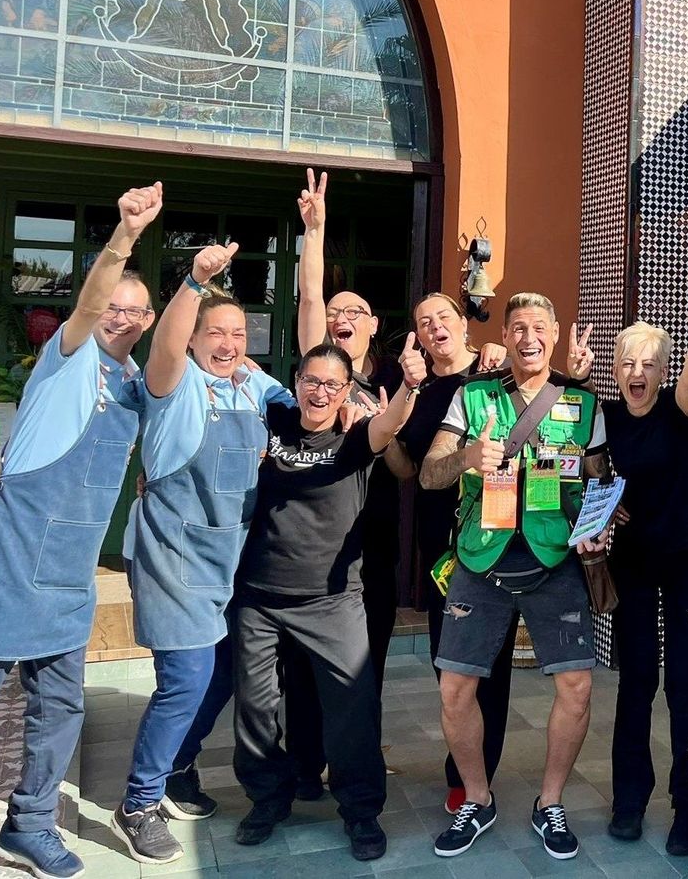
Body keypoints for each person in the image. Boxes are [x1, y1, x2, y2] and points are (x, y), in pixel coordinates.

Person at [0, 185, 163, 879]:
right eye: (113, 306)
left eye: (136, 310)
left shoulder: (133, 380)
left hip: (69, 575)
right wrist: (126, 234)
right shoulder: (66, 361)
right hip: (9, 564)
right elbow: (87, 302)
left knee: (58, 712)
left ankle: (30, 824)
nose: (121, 318)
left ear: (150, 319)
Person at [112, 243, 296, 865]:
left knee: (220, 676)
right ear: (191, 337)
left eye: (238, 333)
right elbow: (162, 348)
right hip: (173, 555)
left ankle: (176, 767)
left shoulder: (254, 384)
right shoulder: (173, 382)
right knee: (186, 679)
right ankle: (138, 801)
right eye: (213, 332)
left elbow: (305, 397)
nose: (227, 343)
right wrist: (193, 282)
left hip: (232, 559)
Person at [420, 293, 610, 862]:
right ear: (504, 334)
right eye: (518, 327)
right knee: (455, 688)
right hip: (481, 558)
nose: (528, 337)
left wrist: (599, 526)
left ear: (553, 335)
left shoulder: (581, 402)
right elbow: (431, 474)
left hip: (554, 560)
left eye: (538, 328)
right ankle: (476, 798)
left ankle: (549, 802)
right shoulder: (473, 395)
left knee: (576, 686)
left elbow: (597, 481)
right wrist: (468, 456)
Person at [230, 339, 428, 863]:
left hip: (333, 600)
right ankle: (267, 799)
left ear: (346, 391)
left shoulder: (358, 438)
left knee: (352, 709)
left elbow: (390, 428)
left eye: (332, 384)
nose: (320, 392)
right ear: (296, 383)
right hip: (259, 596)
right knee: (255, 708)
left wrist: (410, 385)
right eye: (311, 381)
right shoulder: (273, 422)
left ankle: (360, 811)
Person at [285, 168, 408, 797]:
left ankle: (357, 756)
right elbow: (308, 302)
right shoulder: (319, 375)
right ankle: (306, 766)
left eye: (355, 312)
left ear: (372, 325)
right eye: (336, 311)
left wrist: (379, 428)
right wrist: (316, 232)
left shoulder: (390, 381)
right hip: (313, 550)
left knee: (367, 663)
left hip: (373, 549)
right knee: (304, 668)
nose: (342, 317)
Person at [604, 273, 688, 856]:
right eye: (629, 361)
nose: (637, 373)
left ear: (662, 370)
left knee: (683, 685)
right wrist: (603, 502)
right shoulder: (603, 415)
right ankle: (628, 801)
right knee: (636, 684)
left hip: (683, 563)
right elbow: (580, 467)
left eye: (650, 363)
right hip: (629, 564)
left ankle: (687, 808)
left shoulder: (678, 408)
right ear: (617, 368)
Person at [396, 292, 524, 815]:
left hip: (494, 540)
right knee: (449, 664)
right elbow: (410, 472)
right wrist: (382, 431)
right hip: (441, 547)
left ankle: (472, 779)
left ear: (463, 325)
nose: (433, 328)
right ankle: (467, 768)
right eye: (424, 323)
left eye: (443, 317)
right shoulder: (420, 390)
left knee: (490, 666)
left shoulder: (496, 371)